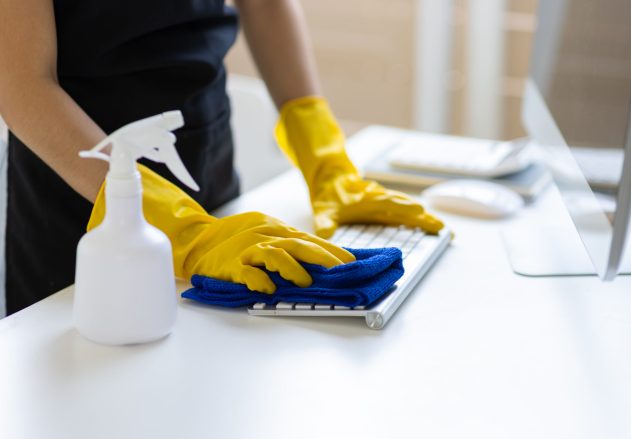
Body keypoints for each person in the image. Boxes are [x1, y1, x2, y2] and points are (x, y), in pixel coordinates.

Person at [0, 0, 444, 316]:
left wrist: (324, 157)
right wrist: (180, 228)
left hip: (207, 170)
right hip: (82, 200)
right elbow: (23, 85)